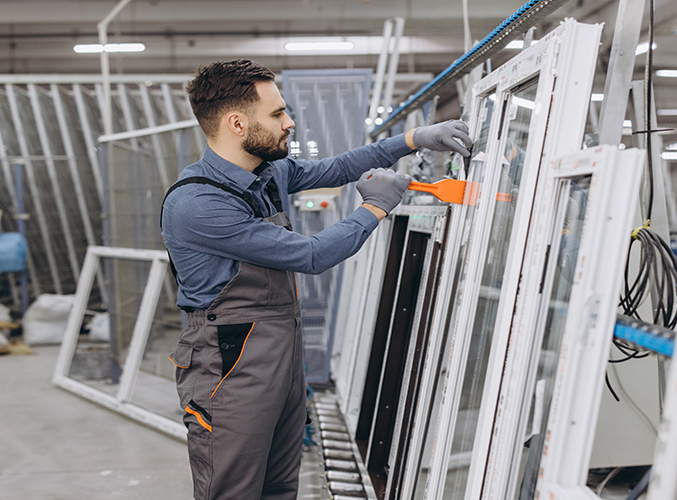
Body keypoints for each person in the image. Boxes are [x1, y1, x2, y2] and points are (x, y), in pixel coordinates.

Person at [160, 59, 471, 500]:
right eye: (277, 114)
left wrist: (411, 139)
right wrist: (374, 209)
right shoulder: (198, 204)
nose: (289, 123)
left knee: (280, 488)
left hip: (278, 355)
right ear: (236, 123)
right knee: (232, 492)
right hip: (227, 367)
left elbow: (338, 168)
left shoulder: (265, 174)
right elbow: (311, 255)